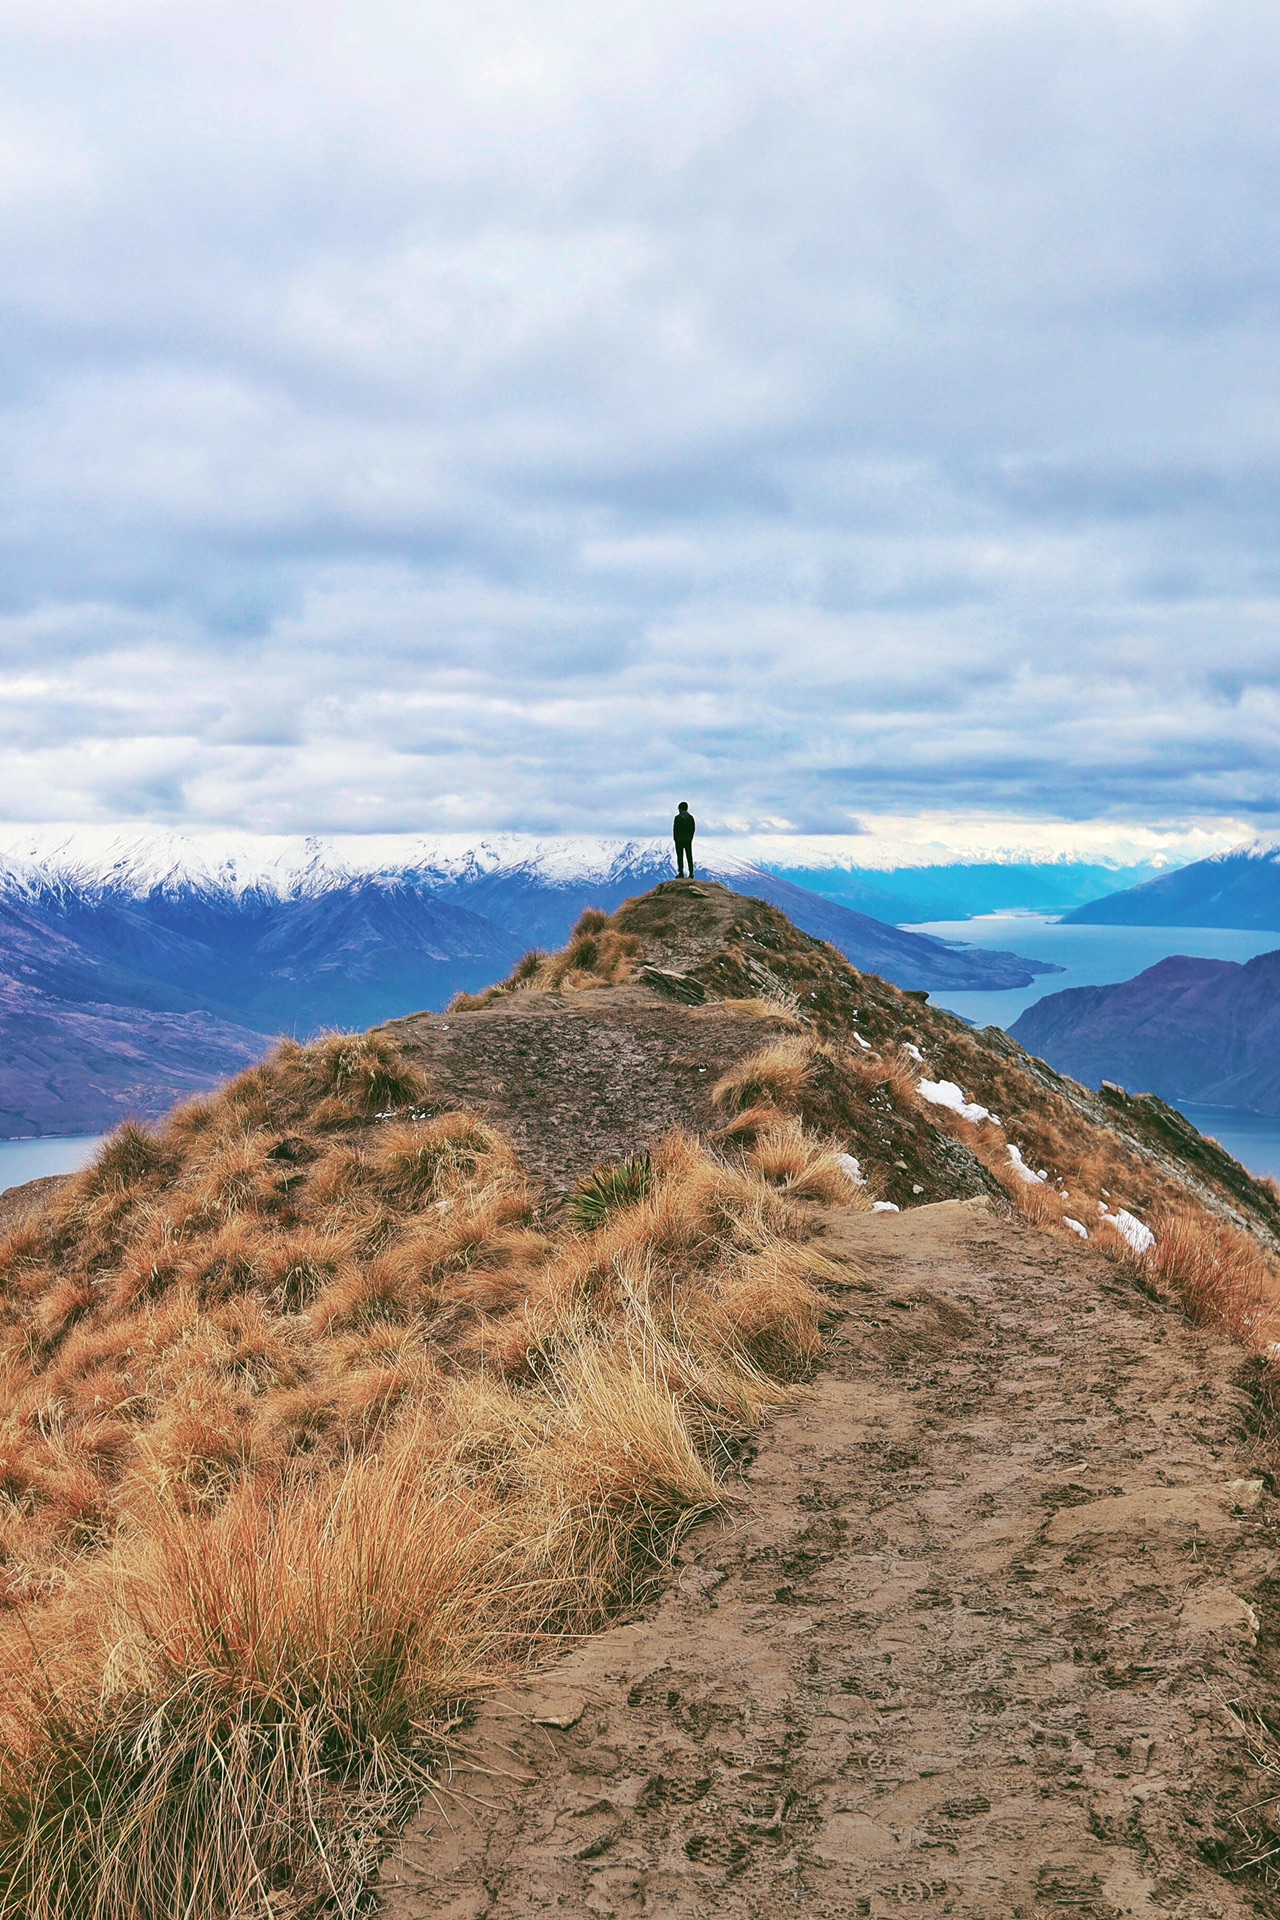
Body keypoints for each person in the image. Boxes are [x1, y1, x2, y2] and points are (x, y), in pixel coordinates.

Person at [673, 801, 696, 877]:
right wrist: (690, 838)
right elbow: (693, 829)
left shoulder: (677, 818)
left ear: (680, 809)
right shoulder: (690, 818)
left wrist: (675, 839)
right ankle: (691, 873)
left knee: (680, 856)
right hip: (688, 839)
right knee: (689, 856)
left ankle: (681, 873)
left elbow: (675, 830)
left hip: (679, 840)